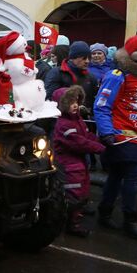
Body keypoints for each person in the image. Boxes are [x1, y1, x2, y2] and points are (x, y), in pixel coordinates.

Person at [93, 35, 137, 241]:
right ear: (129, 52)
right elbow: (102, 106)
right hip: (120, 135)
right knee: (133, 173)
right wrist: (106, 132)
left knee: (117, 174)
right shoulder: (117, 75)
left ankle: (104, 211)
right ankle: (130, 220)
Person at [52, 86, 106, 236]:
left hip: (79, 164)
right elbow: (78, 142)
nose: (75, 104)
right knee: (73, 193)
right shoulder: (64, 124)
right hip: (69, 165)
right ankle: (70, 223)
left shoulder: (77, 120)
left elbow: (86, 136)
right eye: (70, 102)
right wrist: (100, 148)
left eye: (76, 100)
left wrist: (101, 141)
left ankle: (75, 216)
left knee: (81, 190)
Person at [45, 41, 98, 112]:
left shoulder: (91, 77)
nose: (87, 61)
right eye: (84, 58)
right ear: (73, 58)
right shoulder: (57, 73)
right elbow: (49, 98)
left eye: (89, 58)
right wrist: (71, 107)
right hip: (60, 118)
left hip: (83, 119)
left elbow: (93, 101)